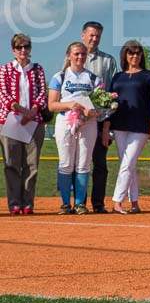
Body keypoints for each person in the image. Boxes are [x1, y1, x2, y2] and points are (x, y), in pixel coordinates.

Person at [47, 41, 102, 215]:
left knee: (84, 163)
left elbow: (101, 105)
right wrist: (70, 104)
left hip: (88, 123)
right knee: (65, 163)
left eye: (83, 54)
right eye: (76, 54)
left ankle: (79, 204)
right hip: (66, 122)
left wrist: (93, 112)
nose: (80, 57)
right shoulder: (60, 77)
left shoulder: (93, 78)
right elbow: (51, 105)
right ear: (69, 55)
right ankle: (65, 203)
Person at [106, 41, 150, 214]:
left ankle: (117, 201)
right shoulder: (117, 77)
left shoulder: (148, 76)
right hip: (119, 124)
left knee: (128, 162)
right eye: (131, 53)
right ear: (125, 55)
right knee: (127, 164)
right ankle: (135, 202)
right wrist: (106, 128)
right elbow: (108, 103)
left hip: (141, 126)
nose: (134, 56)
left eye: (137, 53)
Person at [0, 34, 48, 215]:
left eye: (26, 47)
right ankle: (14, 203)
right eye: (19, 47)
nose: (23, 50)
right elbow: (4, 94)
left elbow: (42, 93)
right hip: (10, 121)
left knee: (32, 165)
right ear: (13, 50)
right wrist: (21, 110)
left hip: (34, 123)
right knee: (11, 164)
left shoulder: (38, 69)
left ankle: (27, 203)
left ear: (30, 49)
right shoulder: (4, 69)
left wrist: (33, 112)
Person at [82, 21, 117, 213]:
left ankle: (98, 203)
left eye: (97, 36)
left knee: (100, 164)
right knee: (79, 164)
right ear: (83, 35)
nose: (94, 39)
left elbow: (112, 95)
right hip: (78, 120)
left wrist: (106, 127)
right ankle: (79, 202)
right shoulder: (73, 56)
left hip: (100, 120)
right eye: (91, 35)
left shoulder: (108, 61)